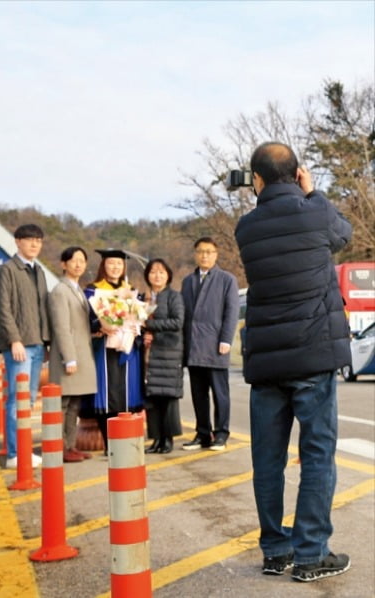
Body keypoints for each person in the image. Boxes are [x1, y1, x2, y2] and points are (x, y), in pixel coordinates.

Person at [235, 142, 352, 581]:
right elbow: (342, 234)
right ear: (297, 173)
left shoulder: (246, 228)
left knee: (268, 459)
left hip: (268, 362)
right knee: (317, 455)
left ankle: (275, 550)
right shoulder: (315, 211)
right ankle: (310, 554)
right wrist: (314, 193)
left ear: (257, 180)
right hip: (314, 354)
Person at [0, 224, 50, 469]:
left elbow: (43, 309)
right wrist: (14, 339)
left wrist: (46, 341)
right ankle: (14, 453)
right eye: (29, 240)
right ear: (17, 242)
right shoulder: (6, 271)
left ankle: (25, 449)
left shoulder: (39, 272)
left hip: (37, 344)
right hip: (19, 345)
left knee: (30, 398)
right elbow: (2, 309)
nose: (34, 244)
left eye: (38, 240)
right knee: (17, 398)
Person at [83, 249, 144, 453]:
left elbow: (140, 318)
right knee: (106, 391)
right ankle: (110, 444)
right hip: (103, 347)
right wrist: (99, 326)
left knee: (127, 391)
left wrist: (137, 327)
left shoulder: (132, 290)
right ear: (103, 266)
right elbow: (87, 318)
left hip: (127, 348)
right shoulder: (92, 291)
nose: (115, 267)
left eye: (119, 264)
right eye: (111, 263)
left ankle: (125, 442)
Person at [181, 237, 239, 451]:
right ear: (195, 254)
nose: (204, 255)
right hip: (193, 345)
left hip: (215, 344)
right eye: (200, 251)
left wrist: (226, 339)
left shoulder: (227, 279)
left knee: (219, 392)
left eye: (209, 251)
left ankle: (221, 433)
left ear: (216, 254)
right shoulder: (188, 281)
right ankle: (202, 433)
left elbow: (231, 312)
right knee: (198, 393)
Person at [48, 247, 97, 463]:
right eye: (73, 260)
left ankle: (70, 445)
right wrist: (69, 357)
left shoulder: (77, 290)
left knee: (74, 404)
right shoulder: (60, 290)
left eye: (82, 261)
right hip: (69, 356)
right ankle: (59, 447)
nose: (78, 265)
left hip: (82, 353)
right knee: (63, 404)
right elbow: (61, 327)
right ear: (63, 264)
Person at [141, 258, 185, 454]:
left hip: (169, 353)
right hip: (150, 355)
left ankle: (167, 440)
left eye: (161, 272)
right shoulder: (143, 298)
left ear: (168, 275)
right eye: (152, 272)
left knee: (168, 398)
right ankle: (156, 439)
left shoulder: (174, 297)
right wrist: (143, 335)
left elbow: (177, 322)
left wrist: (150, 326)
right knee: (152, 398)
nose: (156, 275)